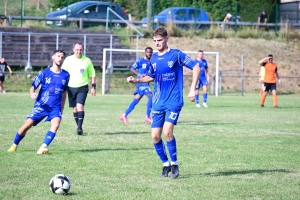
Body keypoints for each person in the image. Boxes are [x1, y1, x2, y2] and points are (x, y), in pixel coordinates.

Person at [127, 26, 200, 179]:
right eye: (155, 41)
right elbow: (151, 77)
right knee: (155, 136)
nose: (157, 43)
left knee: (167, 132)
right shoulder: (153, 58)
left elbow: (196, 67)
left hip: (174, 101)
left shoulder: (176, 55)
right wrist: (137, 80)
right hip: (158, 102)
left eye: (159, 40)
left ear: (167, 39)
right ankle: (166, 165)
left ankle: (174, 164)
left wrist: (192, 89)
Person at [7, 50, 70, 154]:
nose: (60, 58)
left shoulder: (66, 75)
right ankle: (14, 145)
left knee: (55, 125)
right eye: (58, 56)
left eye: (62, 57)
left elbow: (64, 92)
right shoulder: (44, 73)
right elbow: (33, 87)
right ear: (53, 57)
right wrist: (32, 93)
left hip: (55, 107)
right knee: (26, 126)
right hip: (41, 106)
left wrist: (62, 107)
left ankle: (43, 147)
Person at [62, 42, 96, 135]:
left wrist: (93, 87)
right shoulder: (68, 60)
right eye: (77, 49)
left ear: (83, 50)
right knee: (75, 109)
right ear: (73, 50)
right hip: (70, 87)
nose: (78, 51)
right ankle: (78, 127)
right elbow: (63, 73)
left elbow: (92, 74)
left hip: (82, 87)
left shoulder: (87, 60)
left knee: (80, 106)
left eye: (80, 49)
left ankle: (80, 128)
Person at [120, 47, 153, 124]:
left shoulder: (152, 62)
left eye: (150, 52)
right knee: (151, 97)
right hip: (141, 83)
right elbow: (132, 68)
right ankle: (147, 117)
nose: (149, 54)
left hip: (146, 82)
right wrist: (139, 74)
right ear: (145, 53)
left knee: (136, 99)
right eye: (148, 52)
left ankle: (124, 115)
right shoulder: (140, 61)